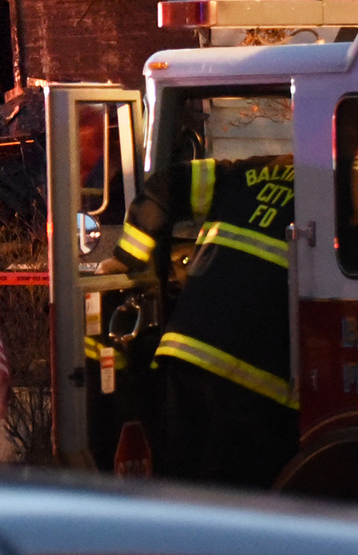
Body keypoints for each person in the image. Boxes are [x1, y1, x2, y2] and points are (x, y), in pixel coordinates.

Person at [102, 150, 298, 488]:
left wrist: (128, 258)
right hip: (259, 377)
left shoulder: (247, 170)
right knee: (249, 498)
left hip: (189, 354)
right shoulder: (336, 188)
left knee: (185, 486)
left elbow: (165, 184)